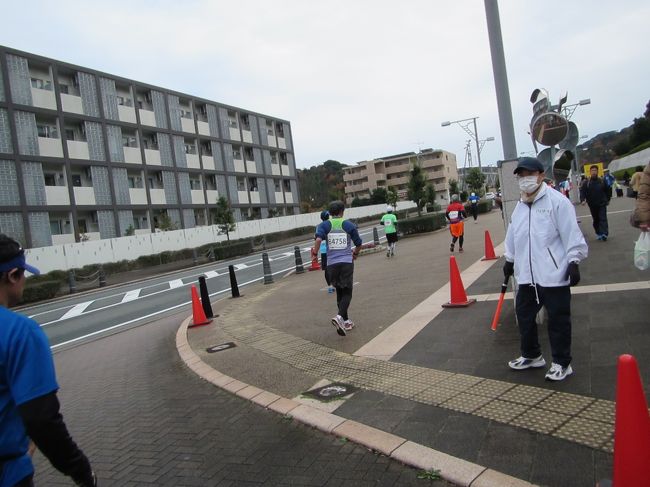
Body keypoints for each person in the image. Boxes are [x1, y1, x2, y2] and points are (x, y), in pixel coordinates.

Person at [0, 234, 96, 487]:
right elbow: (41, 418)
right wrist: (81, 470)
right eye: (23, 274)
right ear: (12, 276)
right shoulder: (19, 332)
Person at [503, 158, 588, 382]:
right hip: (527, 276)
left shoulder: (557, 202)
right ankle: (532, 355)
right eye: (521, 175)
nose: (524, 179)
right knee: (524, 315)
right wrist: (509, 260)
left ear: (541, 175)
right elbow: (513, 236)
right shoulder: (520, 207)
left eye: (529, 174)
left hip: (554, 274)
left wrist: (574, 261)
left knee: (558, 320)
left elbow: (572, 234)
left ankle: (562, 363)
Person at [311, 201, 363, 336]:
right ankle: (340, 317)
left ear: (330, 212)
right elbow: (358, 243)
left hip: (331, 264)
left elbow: (317, 240)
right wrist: (355, 254)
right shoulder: (348, 225)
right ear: (342, 211)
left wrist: (315, 255)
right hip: (346, 262)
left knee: (340, 292)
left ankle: (346, 321)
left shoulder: (324, 225)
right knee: (347, 292)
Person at [585, 164, 610, 241]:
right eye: (592, 171)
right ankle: (598, 233)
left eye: (595, 170)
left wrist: (608, 199)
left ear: (597, 172)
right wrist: (583, 199)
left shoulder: (602, 181)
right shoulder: (587, 183)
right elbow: (583, 191)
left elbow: (608, 190)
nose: (594, 172)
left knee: (603, 218)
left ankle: (604, 234)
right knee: (596, 219)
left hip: (602, 203)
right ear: (590, 172)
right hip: (592, 204)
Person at [318, 211, 334, 293]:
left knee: (327, 269)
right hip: (332, 248)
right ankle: (336, 283)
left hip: (324, 250)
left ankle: (330, 286)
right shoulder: (332, 224)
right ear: (328, 216)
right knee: (335, 266)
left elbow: (316, 238)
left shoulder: (319, 226)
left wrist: (314, 252)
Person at [630, 162, 650, 231]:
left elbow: (631, 182)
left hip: (638, 190)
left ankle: (639, 210)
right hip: (644, 189)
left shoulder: (635, 174)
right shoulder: (643, 173)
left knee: (640, 200)